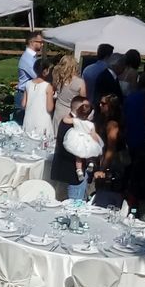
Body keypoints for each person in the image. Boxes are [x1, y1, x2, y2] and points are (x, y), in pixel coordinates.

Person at [49, 55, 87, 190]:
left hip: (59, 110)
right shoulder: (80, 83)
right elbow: (83, 101)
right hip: (71, 112)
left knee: (57, 139)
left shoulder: (57, 78)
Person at [62, 100, 104, 198]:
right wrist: (98, 143)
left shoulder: (76, 120)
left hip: (77, 140)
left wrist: (69, 116)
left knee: (78, 157)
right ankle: (91, 163)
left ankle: (79, 170)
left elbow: (65, 120)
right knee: (90, 153)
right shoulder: (91, 125)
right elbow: (93, 135)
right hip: (87, 140)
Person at [21, 53, 56, 142]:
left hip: (29, 119)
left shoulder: (28, 84)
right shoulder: (48, 86)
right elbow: (49, 108)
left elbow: (23, 104)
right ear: (46, 71)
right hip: (42, 120)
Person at [15, 31, 44, 121]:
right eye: (40, 42)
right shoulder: (27, 58)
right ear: (32, 42)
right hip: (24, 95)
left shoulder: (32, 57)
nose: (42, 45)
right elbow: (36, 76)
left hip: (28, 94)